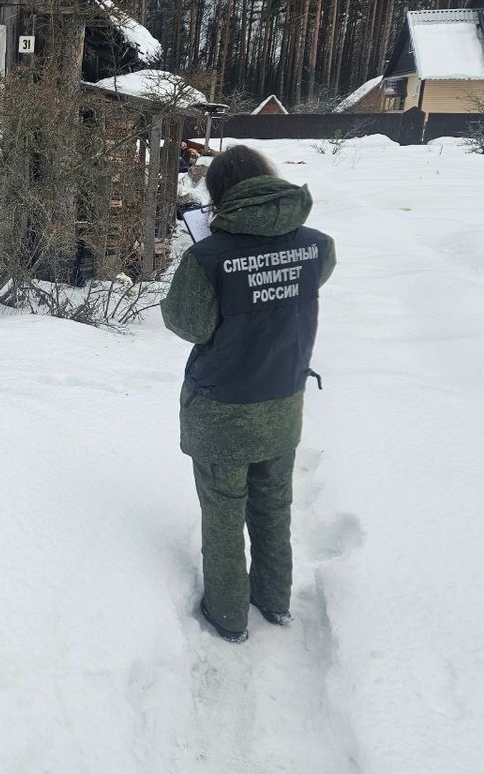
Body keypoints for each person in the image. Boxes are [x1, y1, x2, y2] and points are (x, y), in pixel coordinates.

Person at [160, 146, 336, 643]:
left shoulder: (206, 257)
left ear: (218, 195)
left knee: (222, 515)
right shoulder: (318, 245)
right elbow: (302, 285)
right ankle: (274, 601)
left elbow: (188, 323)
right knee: (273, 506)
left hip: (222, 412)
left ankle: (228, 615)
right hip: (282, 405)